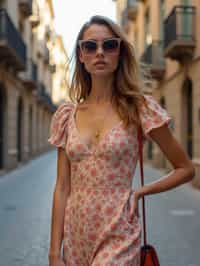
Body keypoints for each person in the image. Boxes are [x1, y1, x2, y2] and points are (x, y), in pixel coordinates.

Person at [47, 15, 195, 266]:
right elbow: (62, 187)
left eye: (110, 45)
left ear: (120, 54)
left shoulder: (139, 109)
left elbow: (186, 168)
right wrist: (53, 252)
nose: (100, 52)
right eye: (90, 46)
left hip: (119, 232)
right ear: (81, 56)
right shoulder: (66, 116)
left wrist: (141, 192)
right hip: (76, 235)